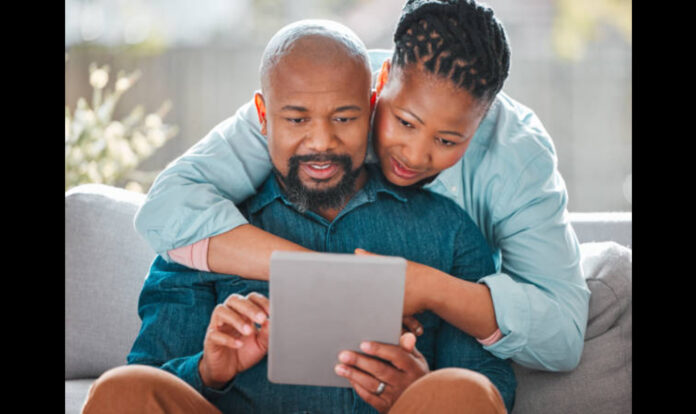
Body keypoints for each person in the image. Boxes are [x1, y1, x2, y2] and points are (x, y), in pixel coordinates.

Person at [82, 21, 515, 414]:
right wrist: (209, 369)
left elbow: (489, 387)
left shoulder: (449, 231)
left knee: (464, 391)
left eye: (344, 118)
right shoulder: (206, 234)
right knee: (124, 390)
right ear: (265, 117)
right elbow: (150, 373)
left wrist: (419, 387)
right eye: (297, 119)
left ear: (371, 108)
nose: (321, 142)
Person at [134, 0, 590, 372]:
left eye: (448, 140)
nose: (413, 155)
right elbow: (168, 206)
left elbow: (563, 338)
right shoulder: (328, 90)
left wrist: (426, 287)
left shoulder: (519, 157)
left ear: (483, 120)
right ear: (382, 82)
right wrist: (340, 282)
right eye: (404, 121)